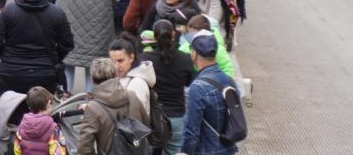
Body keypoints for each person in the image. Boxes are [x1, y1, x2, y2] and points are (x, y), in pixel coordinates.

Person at [0, 0, 73, 96]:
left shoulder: (9, 11)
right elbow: (67, 43)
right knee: (41, 109)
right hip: (45, 75)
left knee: (12, 108)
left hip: (12, 72)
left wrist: (7, 54)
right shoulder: (57, 13)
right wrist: (53, 57)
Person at [140, 20, 195, 154]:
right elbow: (189, 82)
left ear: (154, 36)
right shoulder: (186, 58)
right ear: (173, 34)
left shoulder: (146, 58)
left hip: (153, 116)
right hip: (177, 115)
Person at [179, 34, 239, 155]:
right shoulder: (228, 80)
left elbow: (192, 130)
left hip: (207, 150)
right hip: (228, 148)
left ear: (195, 54)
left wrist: (185, 152)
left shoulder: (197, 87)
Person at [77, 57, 148, 155]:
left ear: (92, 80)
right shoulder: (131, 96)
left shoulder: (93, 108)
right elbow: (146, 124)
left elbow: (85, 148)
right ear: (116, 75)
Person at [14, 87, 66, 155]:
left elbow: (17, 149)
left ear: (29, 107)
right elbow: (59, 152)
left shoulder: (21, 126)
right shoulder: (54, 128)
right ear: (48, 103)